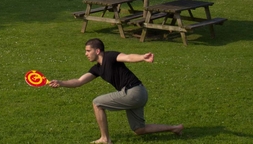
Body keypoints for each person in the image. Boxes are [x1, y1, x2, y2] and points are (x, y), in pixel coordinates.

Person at [49, 38, 183, 143]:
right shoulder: (97, 69)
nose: (86, 54)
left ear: (97, 51)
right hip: (139, 93)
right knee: (139, 129)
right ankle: (175, 128)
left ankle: (105, 139)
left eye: (88, 51)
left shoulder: (110, 56)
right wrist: (60, 83)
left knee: (97, 103)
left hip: (133, 92)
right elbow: (79, 82)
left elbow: (128, 57)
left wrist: (142, 57)